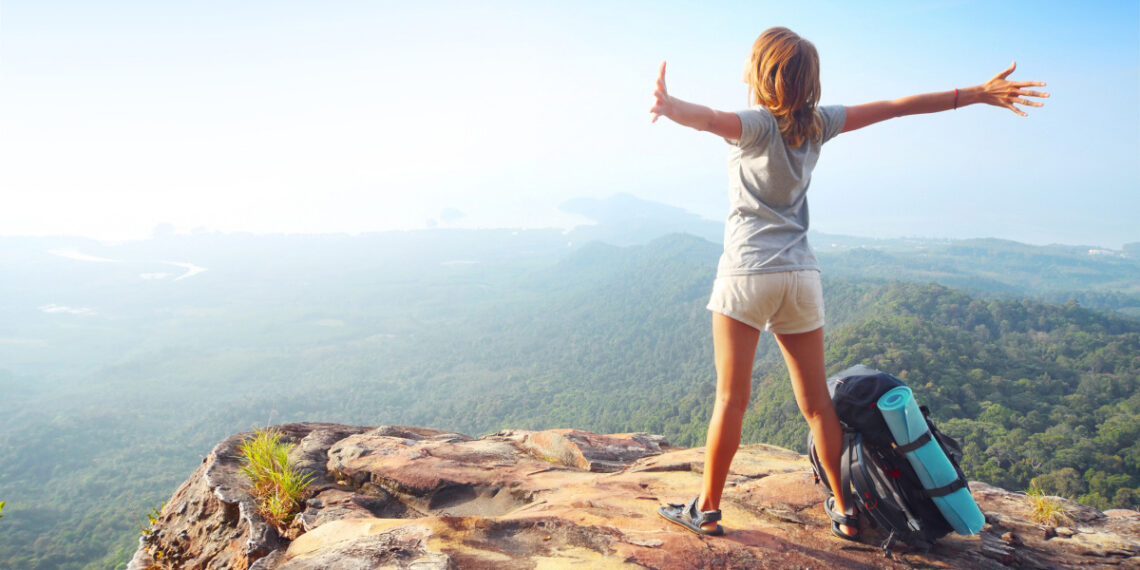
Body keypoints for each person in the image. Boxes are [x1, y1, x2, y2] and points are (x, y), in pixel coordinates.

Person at [651, 26, 1047, 540]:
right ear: (809, 82)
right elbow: (896, 106)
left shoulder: (754, 125)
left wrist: (670, 104)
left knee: (731, 399)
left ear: (760, 74)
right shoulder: (818, 124)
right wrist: (975, 94)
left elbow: (706, 119)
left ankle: (705, 508)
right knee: (816, 404)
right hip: (800, 276)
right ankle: (845, 510)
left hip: (748, 272)